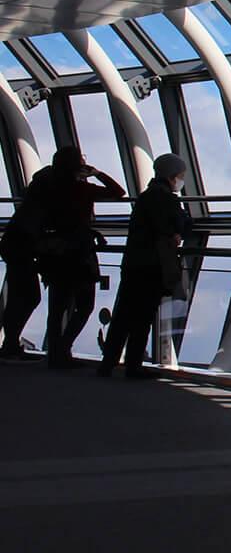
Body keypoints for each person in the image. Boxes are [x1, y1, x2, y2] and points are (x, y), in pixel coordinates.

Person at [98, 153, 190, 379]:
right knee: (142, 318)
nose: (181, 180)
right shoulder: (166, 199)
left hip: (134, 263)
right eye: (180, 176)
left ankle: (108, 363)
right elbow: (179, 223)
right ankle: (133, 365)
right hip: (152, 265)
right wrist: (178, 231)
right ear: (172, 176)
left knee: (123, 316)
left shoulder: (146, 196)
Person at [31, 147, 123, 369]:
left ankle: (55, 353)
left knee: (57, 307)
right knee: (84, 305)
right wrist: (96, 172)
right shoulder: (83, 189)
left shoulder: (48, 188)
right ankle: (63, 348)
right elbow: (117, 191)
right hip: (80, 254)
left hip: (55, 253)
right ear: (77, 166)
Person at [1, 166, 46, 359]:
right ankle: (10, 342)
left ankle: (10, 342)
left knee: (19, 298)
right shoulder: (39, 206)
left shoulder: (30, 203)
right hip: (21, 252)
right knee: (28, 297)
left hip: (15, 251)